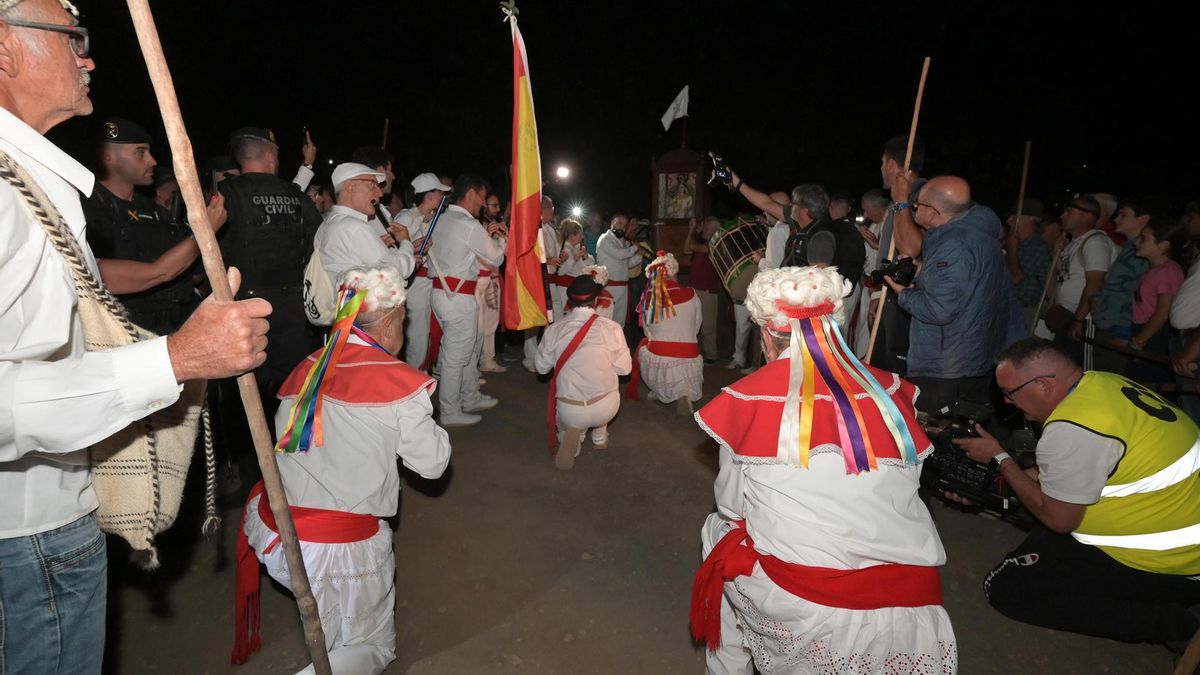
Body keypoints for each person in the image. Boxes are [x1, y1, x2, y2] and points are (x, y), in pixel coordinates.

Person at [1, 2, 269, 670]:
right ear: (4, 48)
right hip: (26, 533)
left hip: (66, 488)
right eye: (72, 39)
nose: (88, 56)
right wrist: (175, 357)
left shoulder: (33, 181)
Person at [691, 266, 956, 675]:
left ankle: (726, 667)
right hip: (913, 596)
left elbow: (732, 506)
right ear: (833, 325)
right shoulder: (888, 395)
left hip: (810, 599)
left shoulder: (752, 400)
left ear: (766, 334)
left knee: (718, 534)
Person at [234, 264, 450, 673]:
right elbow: (434, 465)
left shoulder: (307, 367)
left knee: (331, 623)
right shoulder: (400, 386)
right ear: (389, 324)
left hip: (276, 529)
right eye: (404, 321)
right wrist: (423, 414)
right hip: (336, 551)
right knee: (372, 645)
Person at [953, 338, 1200, 648]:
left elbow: (1059, 520)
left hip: (1177, 561)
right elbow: (1056, 474)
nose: (1007, 403)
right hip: (1170, 519)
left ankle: (1174, 627)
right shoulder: (1101, 384)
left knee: (1005, 587)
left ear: (1042, 384)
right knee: (1036, 546)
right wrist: (980, 485)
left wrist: (1001, 459)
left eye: (1010, 393)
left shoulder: (1072, 428)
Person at [84, 116, 227, 335]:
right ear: (108, 157)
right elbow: (159, 273)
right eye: (140, 153)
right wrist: (203, 232)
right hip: (121, 333)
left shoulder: (156, 212)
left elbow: (189, 274)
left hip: (171, 328)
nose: (152, 161)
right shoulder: (84, 209)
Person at [218, 125, 324, 417]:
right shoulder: (294, 195)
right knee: (296, 387)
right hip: (292, 307)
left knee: (248, 389)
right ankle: (295, 451)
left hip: (244, 306)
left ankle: (251, 455)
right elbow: (319, 242)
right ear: (270, 156)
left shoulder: (225, 194)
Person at [883, 176, 1010, 413]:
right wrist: (923, 273)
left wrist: (904, 293)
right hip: (971, 357)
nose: (914, 210)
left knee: (934, 437)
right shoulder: (981, 237)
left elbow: (938, 310)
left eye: (916, 206)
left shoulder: (953, 243)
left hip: (945, 364)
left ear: (932, 213)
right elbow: (967, 289)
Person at [427, 174, 505, 426]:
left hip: (443, 292)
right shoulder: (467, 224)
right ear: (471, 194)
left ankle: (469, 396)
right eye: (482, 198)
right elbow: (495, 258)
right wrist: (501, 239)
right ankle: (450, 410)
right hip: (458, 296)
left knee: (468, 349)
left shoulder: (441, 219)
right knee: (455, 356)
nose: (483, 204)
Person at [535, 275, 631, 470]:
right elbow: (625, 369)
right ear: (595, 300)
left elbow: (541, 368)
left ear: (570, 301)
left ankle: (573, 436)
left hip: (571, 410)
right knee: (606, 381)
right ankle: (600, 437)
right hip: (606, 407)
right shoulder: (611, 328)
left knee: (570, 418)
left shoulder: (555, 329)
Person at [314, 162, 415, 288]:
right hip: (357, 306)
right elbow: (398, 271)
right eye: (372, 185)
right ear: (350, 186)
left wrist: (377, 246)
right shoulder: (355, 227)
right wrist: (405, 242)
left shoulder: (326, 224)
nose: (380, 193)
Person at [628, 252, 703, 414]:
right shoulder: (692, 293)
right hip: (690, 352)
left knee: (643, 349)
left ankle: (660, 390)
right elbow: (696, 327)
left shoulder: (649, 299)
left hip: (662, 352)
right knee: (680, 352)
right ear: (674, 272)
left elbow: (647, 333)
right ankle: (683, 392)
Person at [1048, 194, 1118, 366]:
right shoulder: (1076, 243)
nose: (1063, 215)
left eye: (1069, 211)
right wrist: (1055, 255)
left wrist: (1078, 319)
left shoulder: (1096, 242)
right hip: (1068, 317)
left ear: (1086, 215)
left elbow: (1095, 283)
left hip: (1084, 321)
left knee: (1080, 368)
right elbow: (1066, 275)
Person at [394, 171, 451, 370]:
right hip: (414, 282)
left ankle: (426, 374)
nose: (443, 197)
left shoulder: (433, 218)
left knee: (428, 332)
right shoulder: (405, 217)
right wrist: (416, 241)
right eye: (439, 193)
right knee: (417, 334)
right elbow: (395, 248)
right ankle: (415, 382)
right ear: (429, 196)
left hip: (428, 281)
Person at [1090, 200, 1152, 373]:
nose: (1116, 219)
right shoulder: (1128, 248)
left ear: (1143, 219)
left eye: (1123, 214)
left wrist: (1123, 332)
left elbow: (1134, 292)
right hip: (1108, 324)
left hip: (1118, 330)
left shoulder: (1142, 252)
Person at [685, 216, 723, 363]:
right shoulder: (701, 241)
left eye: (706, 227)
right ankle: (696, 351)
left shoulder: (718, 242)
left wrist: (693, 229)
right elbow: (686, 249)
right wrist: (691, 231)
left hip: (707, 289)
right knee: (692, 322)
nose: (704, 229)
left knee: (708, 324)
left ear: (714, 229)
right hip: (694, 288)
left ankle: (711, 355)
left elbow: (692, 247)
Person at [477, 190, 507, 373]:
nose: (498, 209)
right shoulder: (476, 226)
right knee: (477, 325)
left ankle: (488, 359)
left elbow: (506, 253)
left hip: (494, 279)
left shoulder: (495, 226)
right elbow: (481, 253)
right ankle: (474, 365)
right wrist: (488, 236)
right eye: (494, 205)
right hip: (478, 281)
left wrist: (505, 235)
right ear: (484, 206)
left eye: (498, 205)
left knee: (491, 321)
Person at [595, 213, 643, 327]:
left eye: (625, 225)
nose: (622, 227)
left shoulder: (621, 242)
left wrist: (639, 255)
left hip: (622, 288)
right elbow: (620, 255)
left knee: (619, 322)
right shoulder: (605, 239)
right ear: (612, 223)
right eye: (619, 223)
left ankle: (617, 343)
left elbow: (627, 263)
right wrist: (635, 247)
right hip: (610, 287)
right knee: (607, 320)